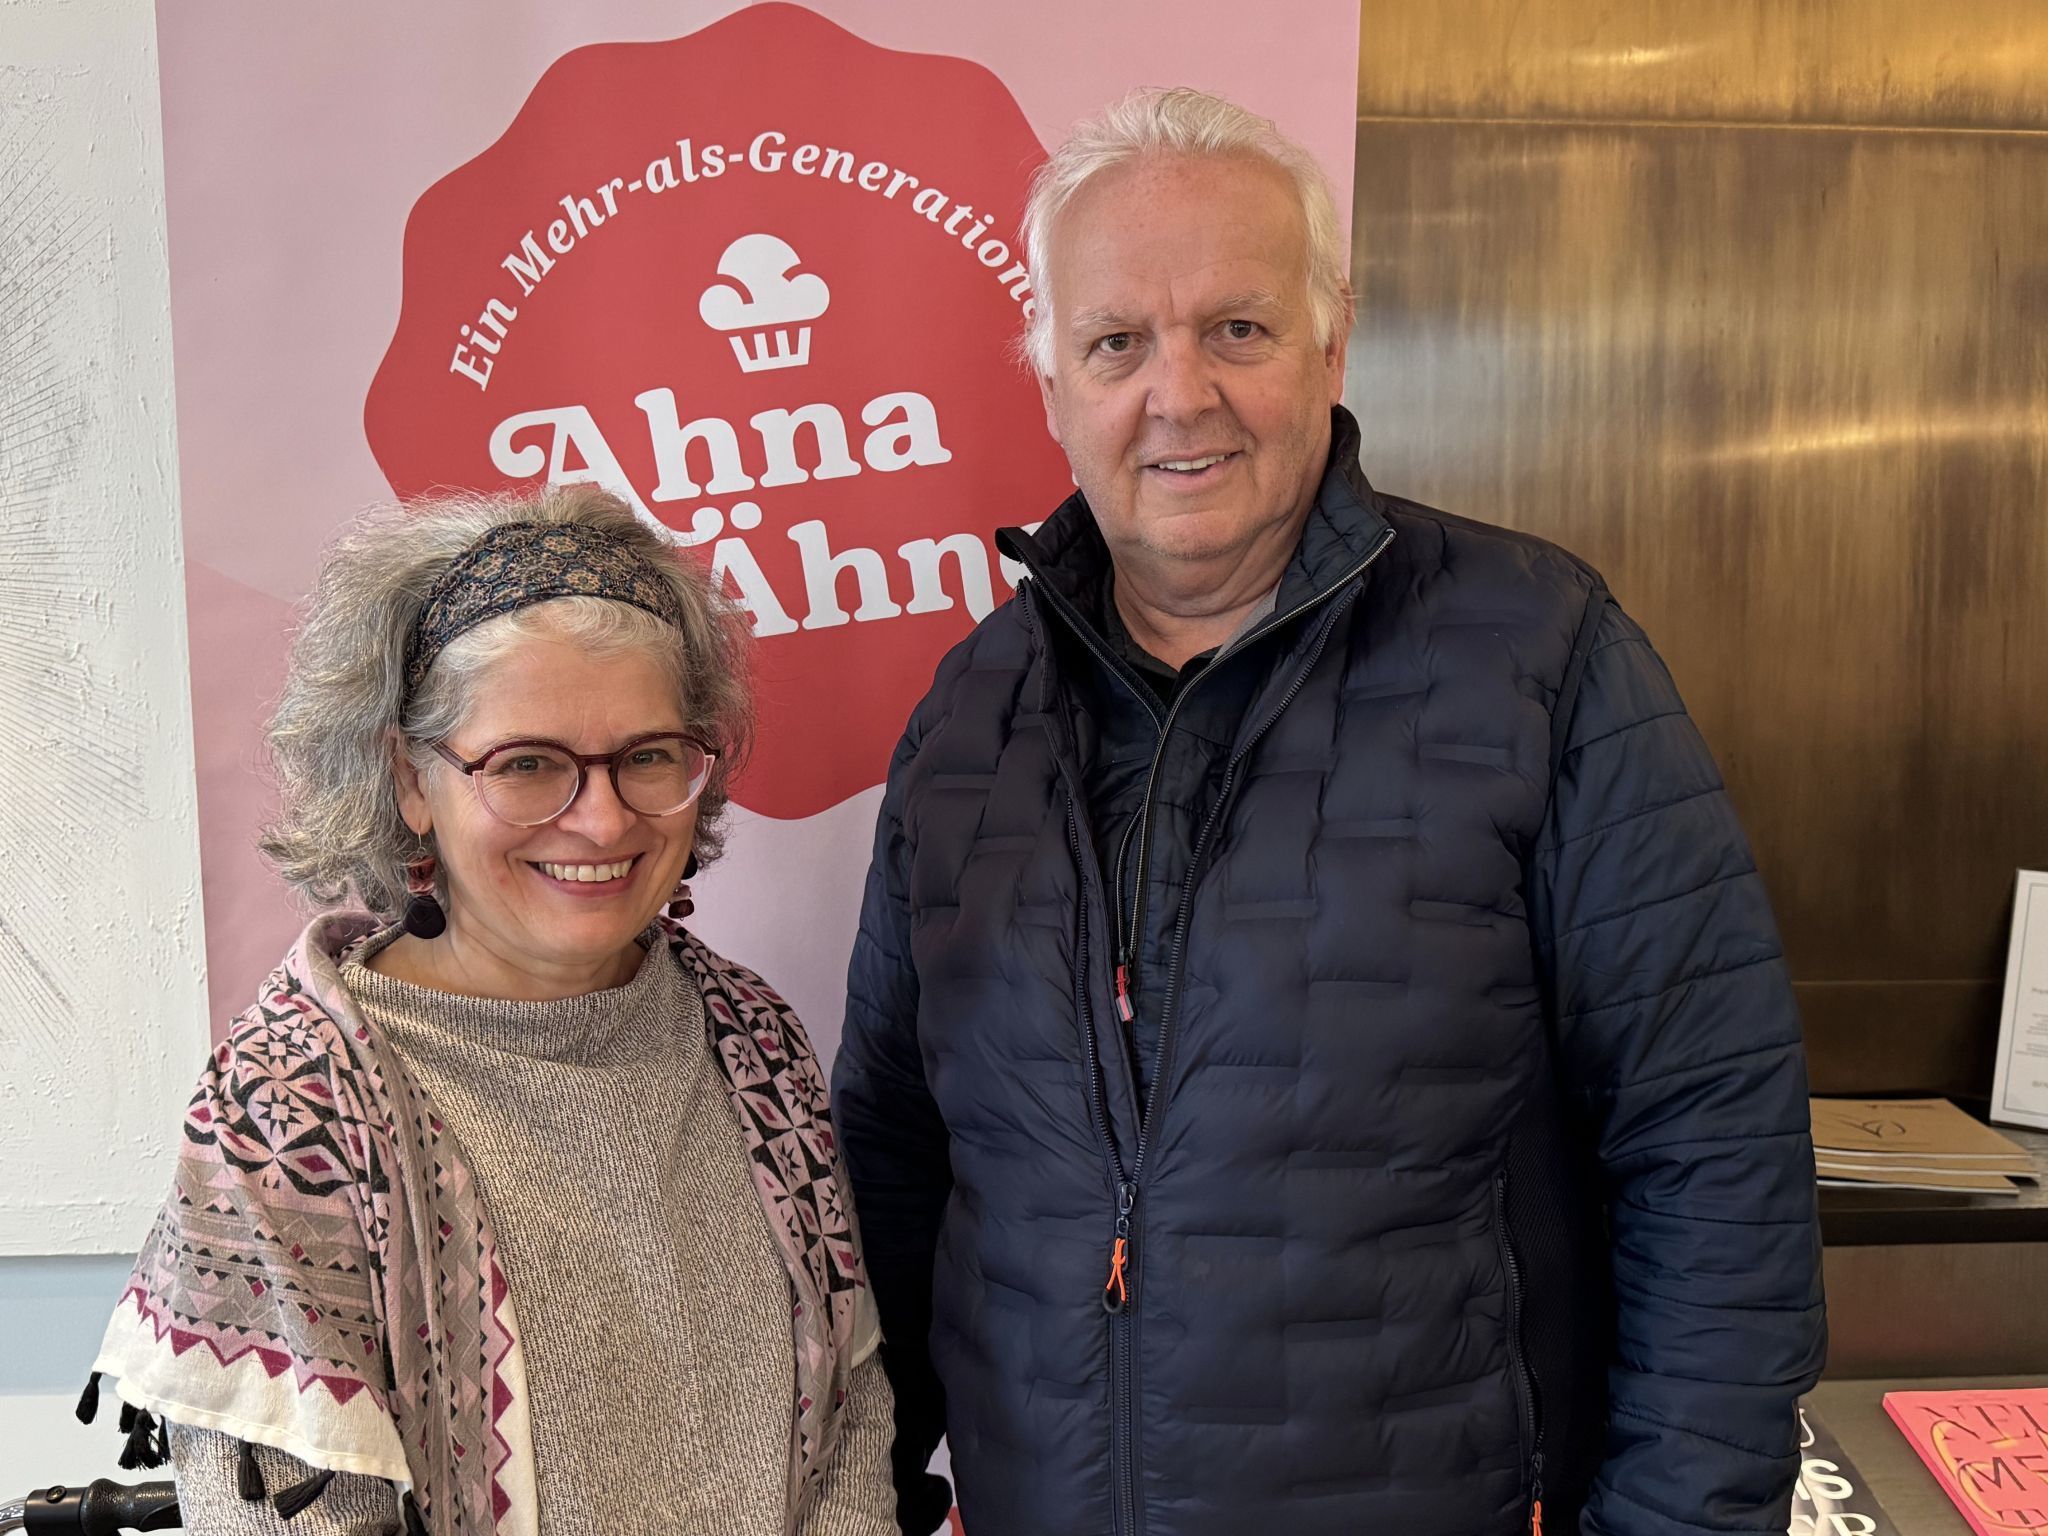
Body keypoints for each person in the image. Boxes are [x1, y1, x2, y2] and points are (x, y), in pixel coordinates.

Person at [834, 87, 1825, 1536]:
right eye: (1116, 343)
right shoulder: (968, 717)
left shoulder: (1538, 653)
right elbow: (891, 1157)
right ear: (1051, 387)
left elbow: (1711, 1142)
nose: (1178, 394)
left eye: (1236, 328)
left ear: (1329, 342)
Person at [81, 488, 896, 1535]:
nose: (600, 820)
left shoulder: (751, 1040)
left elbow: (846, 1433)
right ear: (410, 782)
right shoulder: (292, 1106)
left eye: (647, 755)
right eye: (526, 765)